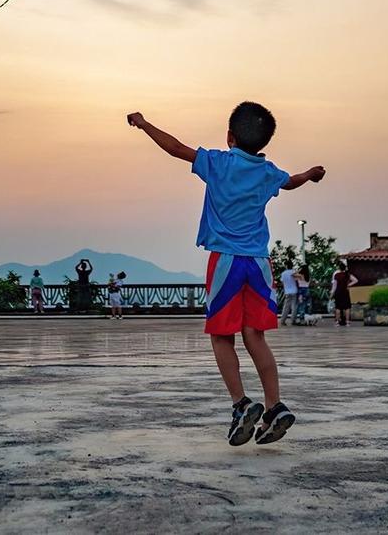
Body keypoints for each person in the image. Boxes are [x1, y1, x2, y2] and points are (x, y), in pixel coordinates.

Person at [128, 101, 325, 446]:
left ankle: (241, 405)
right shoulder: (268, 172)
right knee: (255, 337)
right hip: (260, 264)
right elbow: (290, 182)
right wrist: (309, 175)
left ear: (230, 135)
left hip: (226, 263)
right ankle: (275, 406)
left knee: (222, 336)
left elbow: (175, 148)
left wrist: (144, 124)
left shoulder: (219, 162)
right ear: (264, 143)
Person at [330, 261, 358, 327]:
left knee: (338, 308)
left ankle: (337, 322)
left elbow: (334, 286)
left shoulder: (336, 275)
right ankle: (347, 322)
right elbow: (356, 280)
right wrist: (348, 285)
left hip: (338, 292)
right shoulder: (347, 274)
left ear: (339, 268)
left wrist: (331, 294)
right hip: (345, 292)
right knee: (347, 307)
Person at [279, 261, 300, 326]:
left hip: (287, 292)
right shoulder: (294, 272)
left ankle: (282, 320)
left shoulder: (283, 273)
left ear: (286, 266)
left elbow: (283, 283)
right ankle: (293, 320)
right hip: (294, 291)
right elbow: (298, 281)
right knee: (294, 307)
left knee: (286, 307)